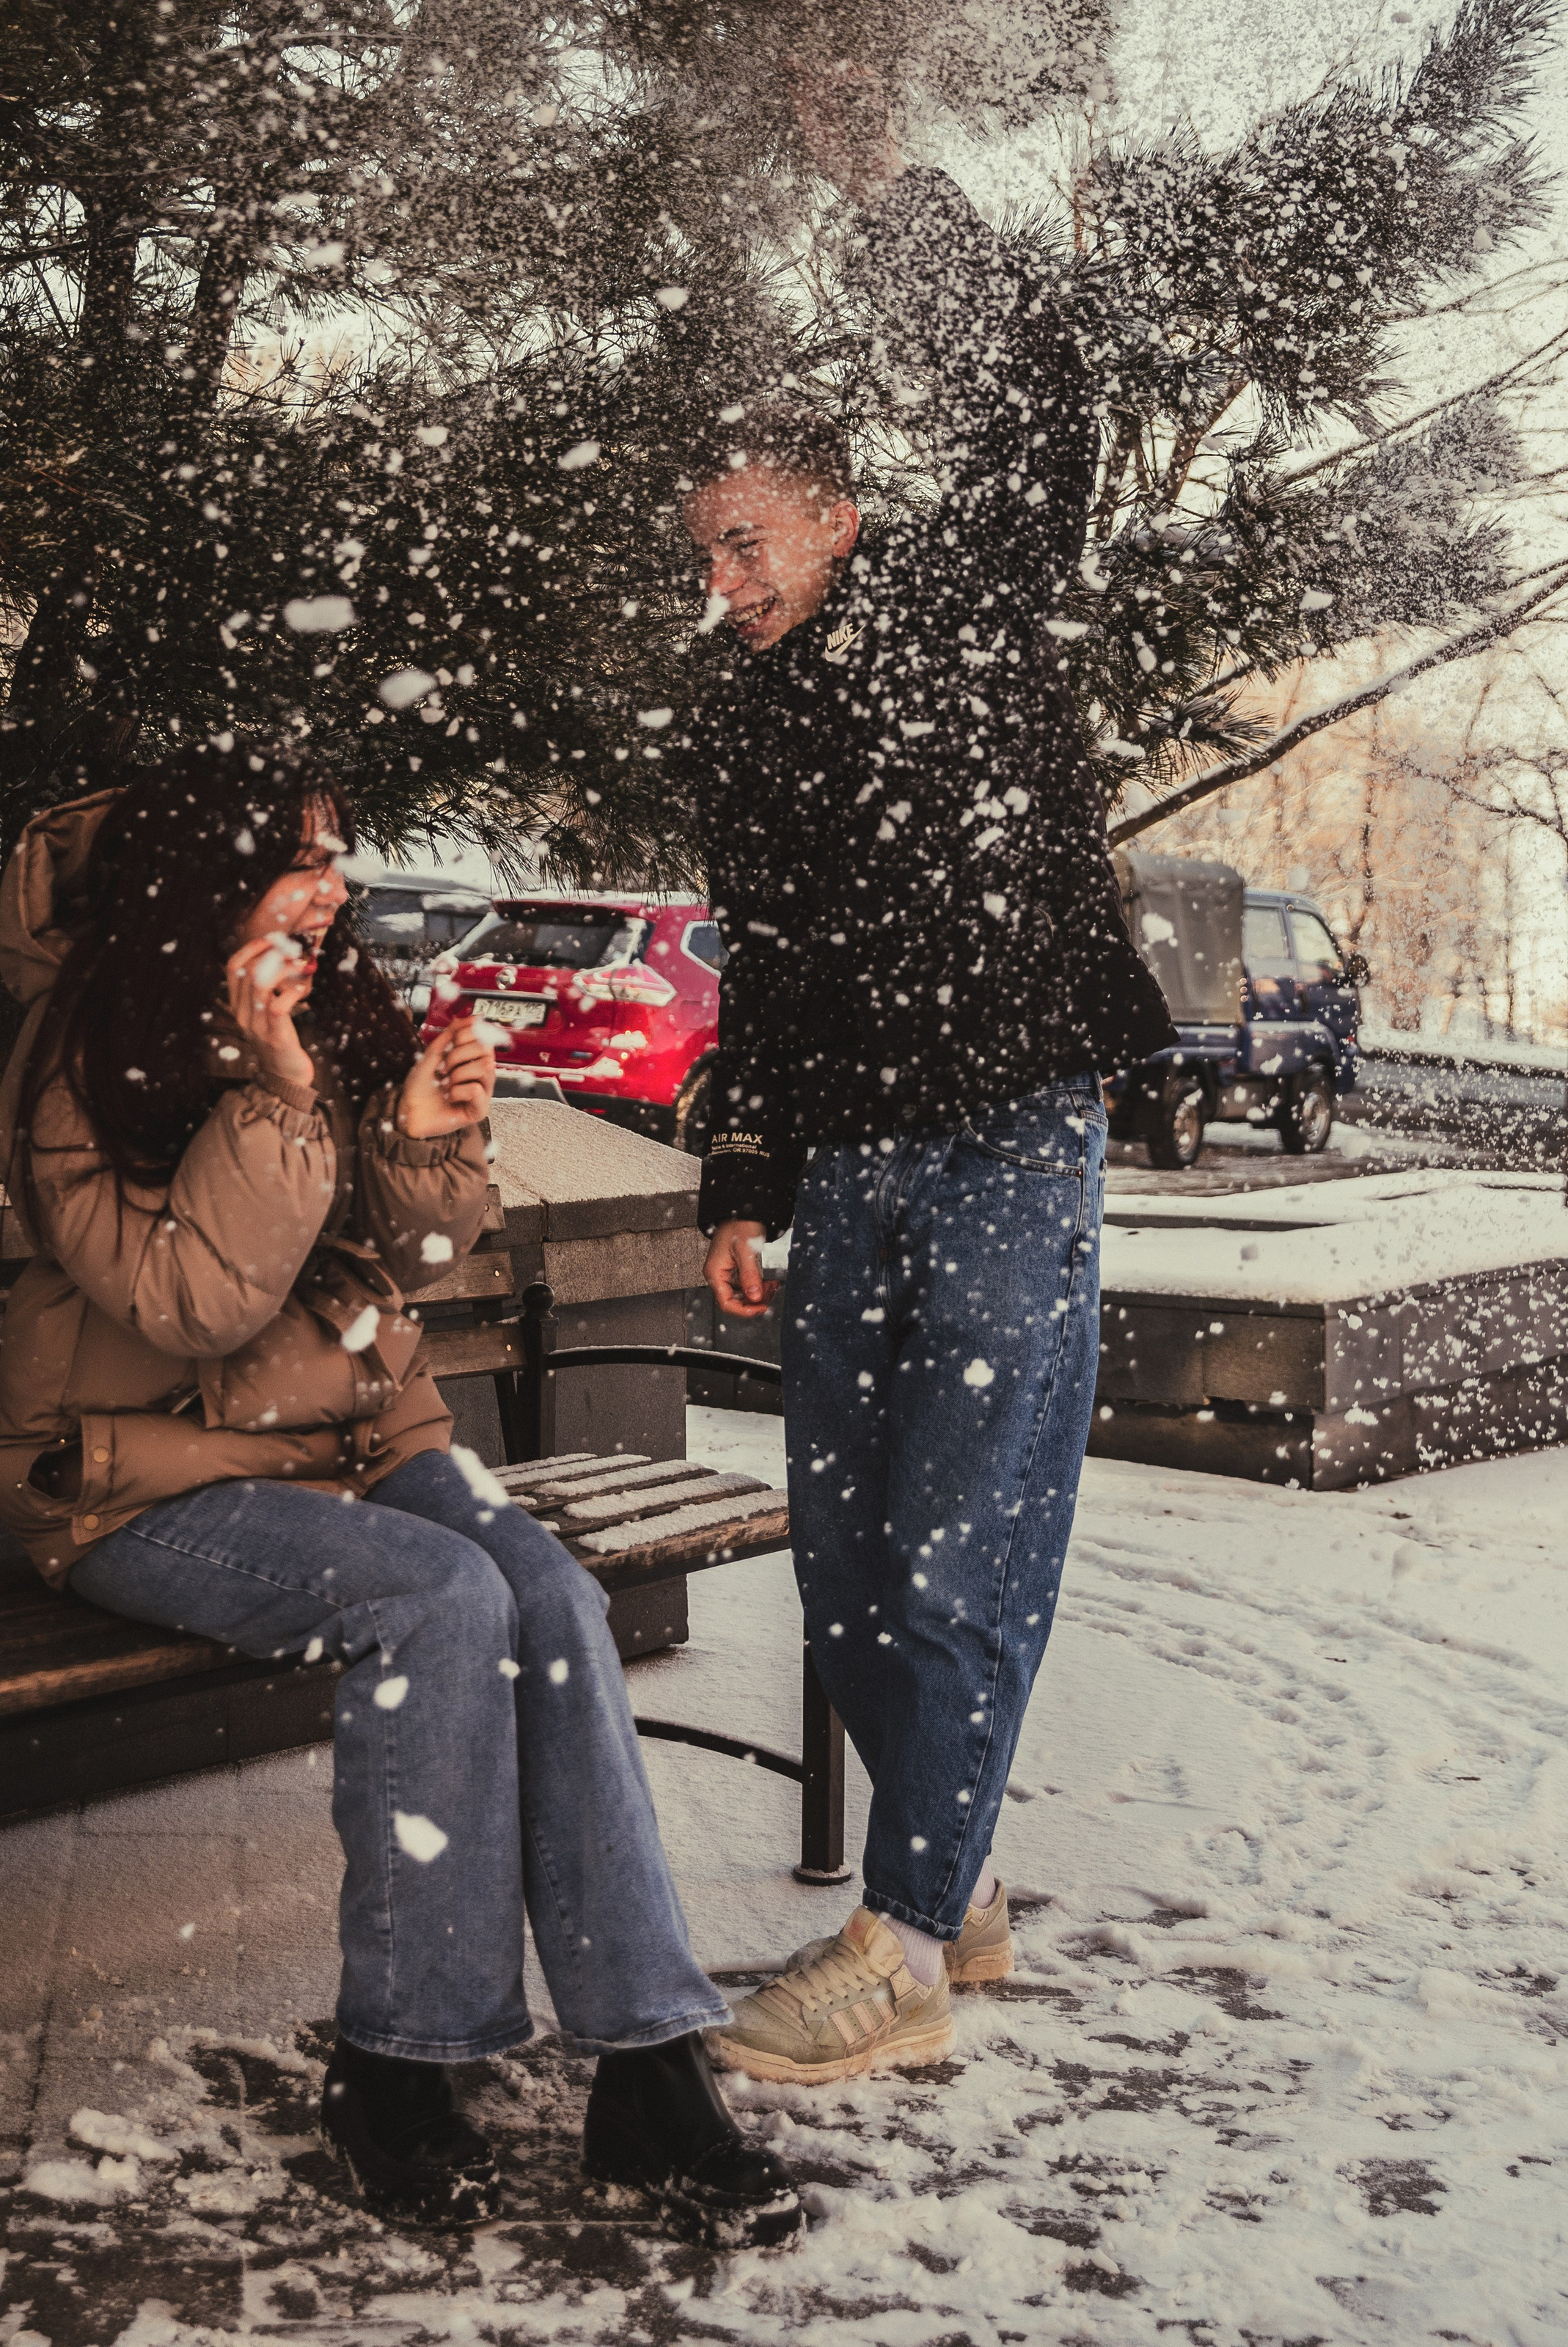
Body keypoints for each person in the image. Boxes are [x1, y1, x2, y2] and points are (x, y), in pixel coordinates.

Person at [0, 740, 804, 2248]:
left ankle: (646, 2067)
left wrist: (425, 1150)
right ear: (210, 881)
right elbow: (192, 1308)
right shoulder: (76, 1050)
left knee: (548, 1595)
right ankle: (396, 2067)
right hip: (139, 1475)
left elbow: (398, 1272)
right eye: (304, 853)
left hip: (355, 1442)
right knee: (436, 1600)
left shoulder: (324, 1000)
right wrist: (286, 1092)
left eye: (336, 847)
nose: (335, 880)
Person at [678, 66, 1177, 2086]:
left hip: (1005, 1135)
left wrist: (885, 191)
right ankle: (949, 1884)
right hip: (858, 1164)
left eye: (749, 537)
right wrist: (741, 1177)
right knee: (844, 1551)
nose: (727, 573)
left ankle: (896, 1943)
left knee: (968, 1543)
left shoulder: (960, 601)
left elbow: (1039, 402)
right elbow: (764, 972)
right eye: (704, 549)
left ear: (838, 517)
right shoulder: (745, 718)